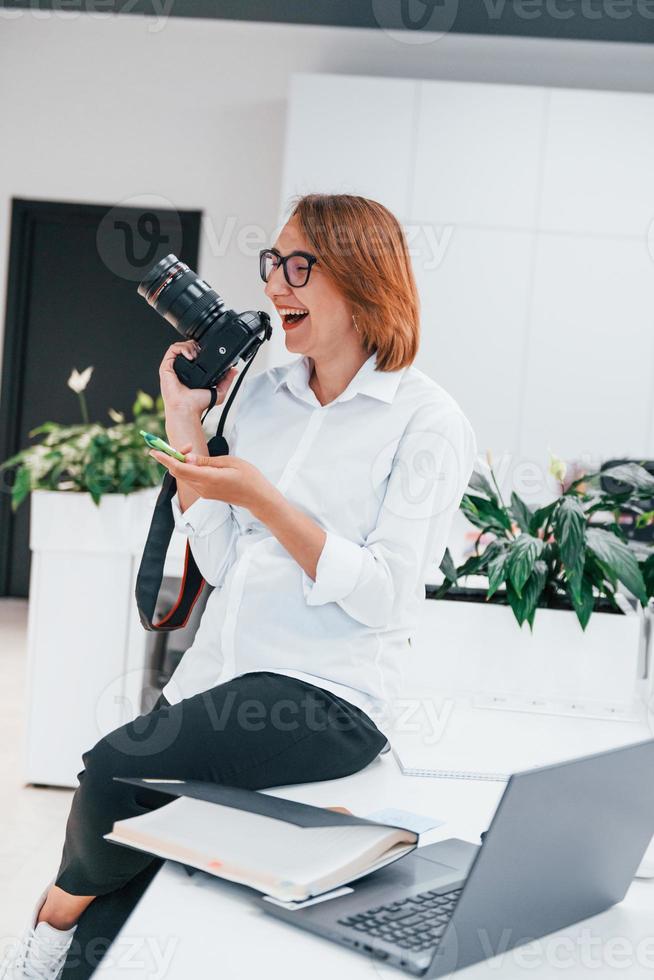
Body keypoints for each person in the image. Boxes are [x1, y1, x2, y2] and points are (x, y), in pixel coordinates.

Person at [3, 193, 476, 980]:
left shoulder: (426, 420)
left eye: (300, 266)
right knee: (125, 897)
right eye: (272, 263)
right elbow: (221, 564)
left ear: (363, 280)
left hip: (327, 694)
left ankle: (54, 906)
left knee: (113, 773)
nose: (275, 285)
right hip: (219, 675)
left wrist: (265, 498)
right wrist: (186, 423)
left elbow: (388, 594)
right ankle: (69, 943)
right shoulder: (263, 395)